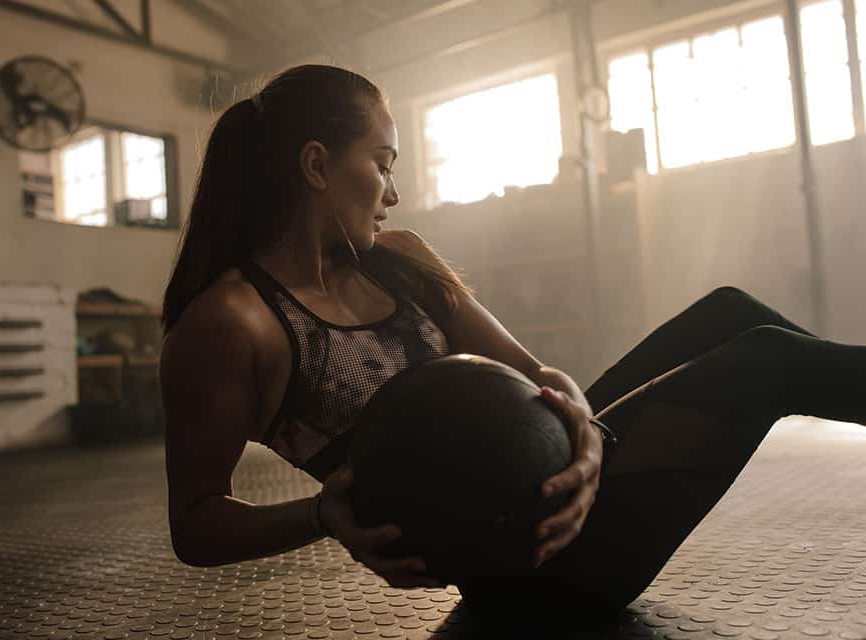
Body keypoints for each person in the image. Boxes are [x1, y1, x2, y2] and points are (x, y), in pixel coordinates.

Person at [159, 64, 866, 618]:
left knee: (729, 311)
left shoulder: (398, 256)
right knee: (770, 357)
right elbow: (195, 525)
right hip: (537, 563)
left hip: (562, 472)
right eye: (382, 161)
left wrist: (586, 435)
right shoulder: (233, 323)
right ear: (317, 166)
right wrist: (324, 514)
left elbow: (532, 374)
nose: (392, 191)